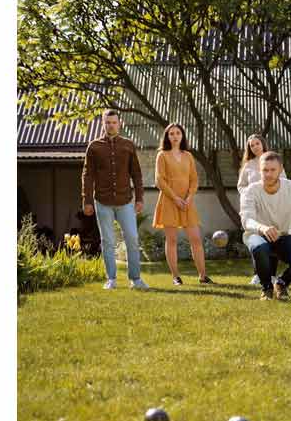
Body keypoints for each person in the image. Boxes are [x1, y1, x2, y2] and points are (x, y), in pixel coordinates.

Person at [81, 109, 149, 290]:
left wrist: (139, 198)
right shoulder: (94, 147)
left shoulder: (128, 145)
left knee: (133, 239)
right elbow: (88, 176)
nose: (111, 125)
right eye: (107, 122)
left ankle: (135, 279)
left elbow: (136, 173)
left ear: (119, 124)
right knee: (108, 241)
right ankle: (111, 279)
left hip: (125, 201)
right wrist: (87, 200)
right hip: (102, 201)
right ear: (103, 124)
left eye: (114, 122)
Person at [239, 151, 291, 300]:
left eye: (273, 170)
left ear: (280, 169)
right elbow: (246, 220)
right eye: (264, 170)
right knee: (259, 247)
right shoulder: (251, 191)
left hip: (284, 235)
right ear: (259, 171)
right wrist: (262, 228)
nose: (268, 174)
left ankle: (281, 283)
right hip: (258, 235)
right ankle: (266, 287)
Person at [152, 123, 214, 286]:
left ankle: (203, 276)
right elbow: (159, 180)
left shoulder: (188, 156)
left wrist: (189, 197)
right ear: (167, 136)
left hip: (187, 202)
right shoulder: (162, 155)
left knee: (196, 239)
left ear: (182, 136)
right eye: (171, 133)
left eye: (178, 133)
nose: (174, 136)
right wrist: (175, 198)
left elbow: (194, 179)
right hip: (169, 201)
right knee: (171, 240)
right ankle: (175, 276)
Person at [236, 134, 288, 286]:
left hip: (272, 206)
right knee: (257, 241)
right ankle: (258, 275)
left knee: (272, 238)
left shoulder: (273, 161)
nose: (255, 147)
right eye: (252, 145)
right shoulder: (248, 165)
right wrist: (248, 197)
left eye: (257, 143)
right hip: (255, 209)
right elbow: (241, 186)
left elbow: (284, 181)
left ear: (263, 144)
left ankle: (271, 275)